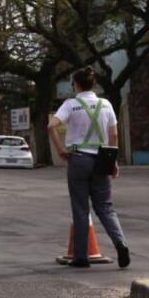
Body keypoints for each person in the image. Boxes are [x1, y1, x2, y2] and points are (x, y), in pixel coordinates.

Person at [47, 66, 130, 268]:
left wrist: (60, 150)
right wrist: (113, 161)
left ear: (75, 85)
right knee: (105, 207)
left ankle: (81, 257)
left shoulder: (71, 104)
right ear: (94, 84)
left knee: (81, 208)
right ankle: (121, 244)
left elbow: (51, 126)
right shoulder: (106, 104)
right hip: (102, 158)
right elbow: (114, 135)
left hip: (79, 158)